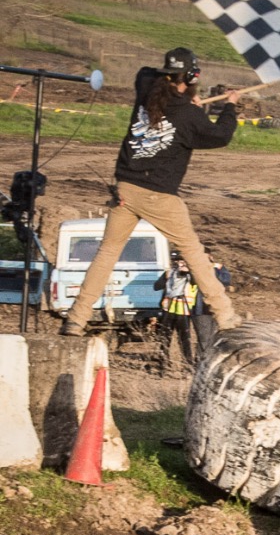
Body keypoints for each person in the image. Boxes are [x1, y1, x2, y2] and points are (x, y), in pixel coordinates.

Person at [61, 48, 244, 337]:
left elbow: (145, 73)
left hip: (125, 190)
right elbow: (220, 136)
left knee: (107, 254)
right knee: (193, 253)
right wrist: (230, 106)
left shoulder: (147, 90)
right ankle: (225, 315)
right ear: (193, 77)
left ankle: (76, 319)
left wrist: (184, 97)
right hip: (159, 195)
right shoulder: (189, 115)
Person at [156, 254, 197, 374]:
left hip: (183, 310)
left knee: (184, 340)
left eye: (183, 262)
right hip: (169, 310)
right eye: (178, 262)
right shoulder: (170, 273)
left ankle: (187, 365)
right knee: (165, 338)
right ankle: (163, 364)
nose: (180, 264)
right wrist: (165, 278)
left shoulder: (192, 274)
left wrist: (188, 272)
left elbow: (195, 283)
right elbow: (156, 286)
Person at [192, 251, 232, 353]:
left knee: (216, 336)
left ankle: (209, 357)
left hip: (216, 307)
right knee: (204, 337)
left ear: (210, 256)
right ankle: (201, 359)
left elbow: (226, 280)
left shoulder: (218, 268)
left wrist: (214, 269)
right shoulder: (195, 269)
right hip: (201, 308)